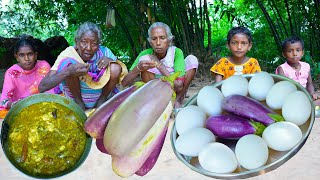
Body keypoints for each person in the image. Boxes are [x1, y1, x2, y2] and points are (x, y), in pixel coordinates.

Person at [38, 22, 127, 110]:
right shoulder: (68, 54)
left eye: (94, 43)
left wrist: (111, 61)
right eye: (84, 42)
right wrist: (68, 71)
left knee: (115, 66)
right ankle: (79, 103)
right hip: (75, 97)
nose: (88, 48)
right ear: (77, 41)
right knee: (69, 64)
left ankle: (102, 99)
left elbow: (124, 79)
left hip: (99, 97)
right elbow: (42, 86)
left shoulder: (104, 52)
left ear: (99, 44)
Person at [121, 22, 198, 109]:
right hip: (155, 93)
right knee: (144, 59)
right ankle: (155, 101)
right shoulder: (145, 54)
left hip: (175, 91)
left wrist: (160, 66)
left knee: (192, 59)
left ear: (169, 40)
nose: (158, 42)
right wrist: (138, 68)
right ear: (150, 42)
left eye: (162, 38)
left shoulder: (176, 52)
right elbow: (124, 83)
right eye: (154, 39)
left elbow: (179, 87)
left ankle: (177, 100)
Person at [0, 38, 54, 115]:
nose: (26, 59)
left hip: (43, 105)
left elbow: (52, 91)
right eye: (22, 55)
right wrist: (13, 105)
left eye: (30, 54)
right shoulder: (11, 72)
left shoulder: (44, 66)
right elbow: (4, 100)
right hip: (21, 108)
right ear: (17, 57)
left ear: (35, 55)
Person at [276, 36, 320, 106]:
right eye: (290, 51)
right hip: (290, 100)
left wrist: (312, 93)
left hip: (305, 97)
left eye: (298, 50)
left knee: (318, 101)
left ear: (302, 52)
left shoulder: (306, 66)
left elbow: (309, 83)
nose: (295, 54)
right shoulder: (282, 69)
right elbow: (283, 89)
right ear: (284, 54)